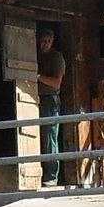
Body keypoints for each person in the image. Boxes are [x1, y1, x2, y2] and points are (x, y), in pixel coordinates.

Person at [36, 29, 67, 185]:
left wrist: (38, 77)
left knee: (49, 137)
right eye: (43, 41)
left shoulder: (56, 58)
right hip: (35, 98)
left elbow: (56, 83)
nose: (45, 44)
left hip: (50, 100)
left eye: (48, 41)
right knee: (34, 135)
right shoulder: (36, 56)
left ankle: (51, 176)